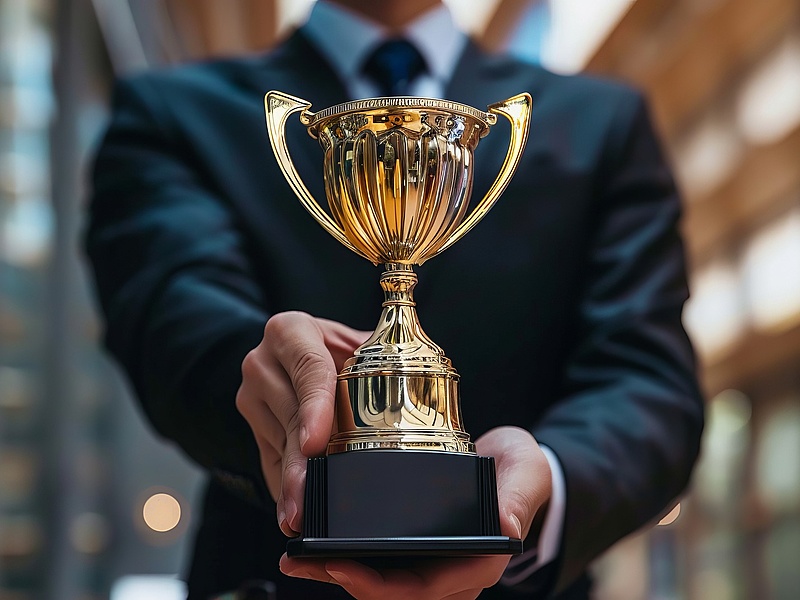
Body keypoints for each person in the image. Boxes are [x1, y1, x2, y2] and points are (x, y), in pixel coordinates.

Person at [85, 0, 704, 598]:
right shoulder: (171, 113)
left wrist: (541, 487)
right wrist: (272, 384)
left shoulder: (603, 123)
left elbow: (647, 380)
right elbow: (170, 316)